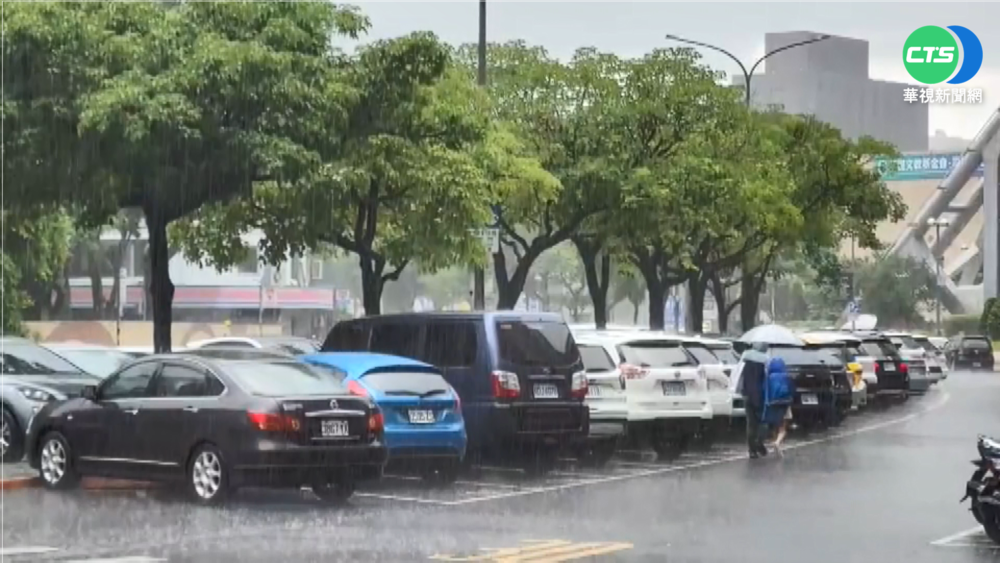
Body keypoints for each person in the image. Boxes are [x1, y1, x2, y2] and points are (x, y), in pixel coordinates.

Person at [734, 342, 769, 458]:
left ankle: (752, 450)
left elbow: (739, 374)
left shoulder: (745, 356)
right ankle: (759, 442)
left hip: (747, 393)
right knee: (762, 421)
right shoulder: (765, 360)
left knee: (750, 423)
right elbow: (767, 377)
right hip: (760, 395)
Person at [761, 356, 794, 455]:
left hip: (773, 402)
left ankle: (776, 442)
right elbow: (792, 389)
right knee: (783, 426)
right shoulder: (787, 376)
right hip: (785, 403)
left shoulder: (769, 377)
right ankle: (778, 442)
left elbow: (764, 389)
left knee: (775, 424)